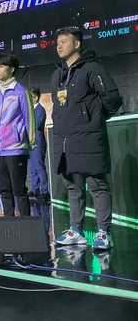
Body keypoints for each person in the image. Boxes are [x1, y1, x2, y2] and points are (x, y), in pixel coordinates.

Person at [52, 26, 122, 250]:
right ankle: (76, 231)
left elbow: (112, 99)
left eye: (64, 41)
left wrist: (92, 119)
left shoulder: (93, 68)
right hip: (65, 140)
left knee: (97, 186)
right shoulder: (58, 74)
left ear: (77, 44)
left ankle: (104, 232)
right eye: (58, 42)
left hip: (89, 138)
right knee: (73, 187)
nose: (59, 46)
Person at [0, 53, 36, 217]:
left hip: (16, 148)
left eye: (1, 66)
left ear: (12, 69)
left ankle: (25, 223)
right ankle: (8, 221)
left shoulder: (22, 92)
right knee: (3, 189)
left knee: (19, 189)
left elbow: (30, 119)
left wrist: (30, 144)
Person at [27, 87, 50, 201]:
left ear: (35, 98)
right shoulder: (29, 110)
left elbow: (36, 124)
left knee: (39, 167)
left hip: (38, 143)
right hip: (30, 143)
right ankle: (35, 189)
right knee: (33, 168)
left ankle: (44, 191)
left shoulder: (40, 110)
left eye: (29, 97)